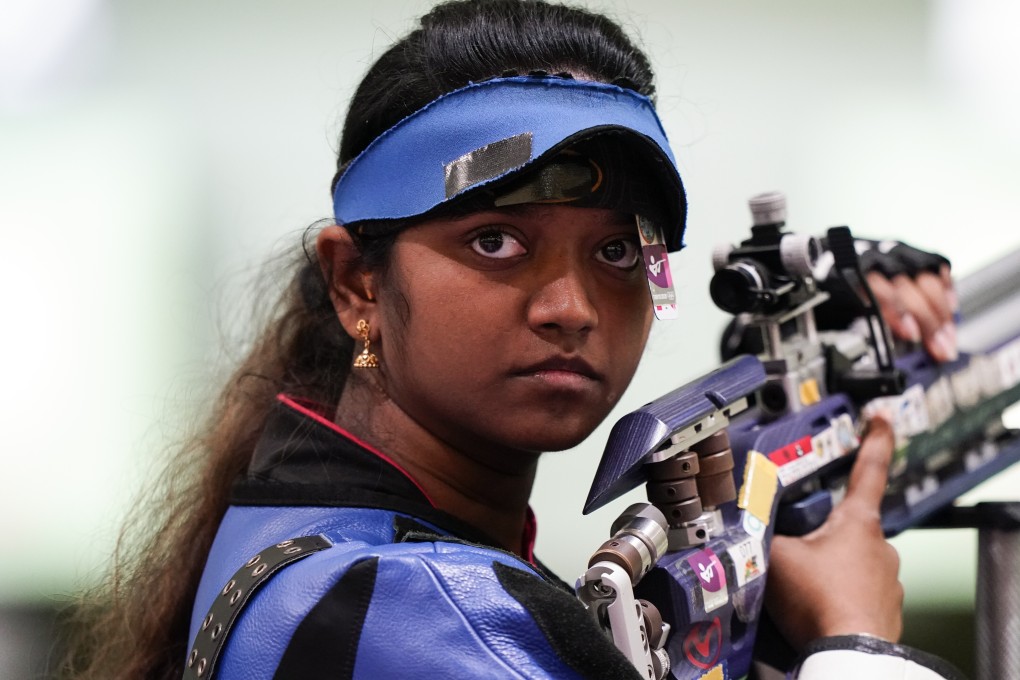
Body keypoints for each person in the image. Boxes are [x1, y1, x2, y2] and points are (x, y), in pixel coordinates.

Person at [62, 1, 965, 679]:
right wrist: (858, 642)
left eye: (617, 250)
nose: (571, 305)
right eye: (496, 242)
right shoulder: (403, 608)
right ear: (356, 282)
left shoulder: (337, 543)